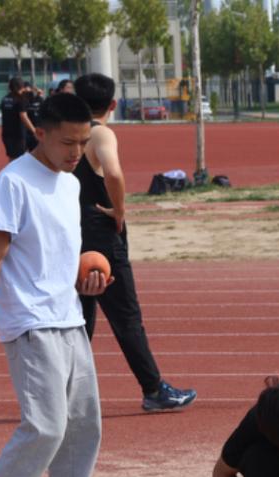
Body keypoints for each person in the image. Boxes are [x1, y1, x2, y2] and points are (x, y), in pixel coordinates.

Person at [0, 93, 131, 477]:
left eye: (83, 142)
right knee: (46, 427)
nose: (77, 152)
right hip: (30, 323)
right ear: (41, 133)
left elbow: (56, 255)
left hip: (69, 317)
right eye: (67, 143)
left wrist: (84, 281)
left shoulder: (69, 183)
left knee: (84, 426)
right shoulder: (12, 182)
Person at [73, 74, 197, 413]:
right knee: (126, 317)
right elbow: (113, 172)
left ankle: (66, 393)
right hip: (101, 236)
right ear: (112, 104)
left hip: (70, 233)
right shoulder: (99, 133)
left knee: (79, 319)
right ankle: (154, 390)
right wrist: (119, 209)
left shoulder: (65, 137)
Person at [0, 77, 34, 161]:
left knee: (12, 158)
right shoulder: (21, 99)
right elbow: (23, 116)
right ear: (21, 87)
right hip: (18, 134)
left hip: (6, 133)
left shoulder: (4, 99)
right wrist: (34, 130)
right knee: (20, 159)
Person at [23, 86, 45, 152]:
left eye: (30, 91)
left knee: (37, 151)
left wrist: (39, 92)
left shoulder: (39, 99)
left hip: (38, 129)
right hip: (27, 131)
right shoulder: (23, 101)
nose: (29, 93)